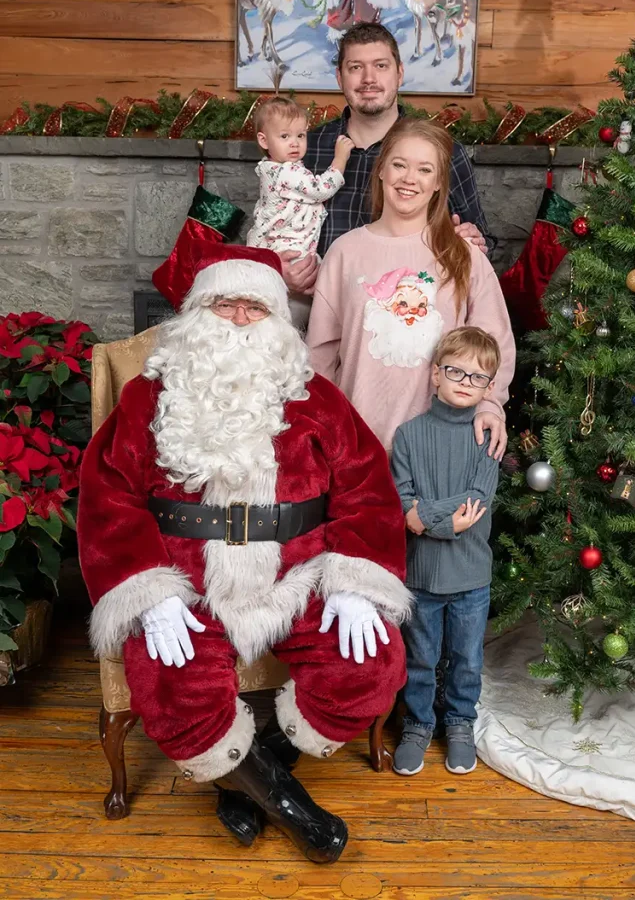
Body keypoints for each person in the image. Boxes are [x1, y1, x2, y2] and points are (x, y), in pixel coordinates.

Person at [77, 225, 410, 864]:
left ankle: (251, 783)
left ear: (277, 321)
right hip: (187, 587)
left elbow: (367, 487)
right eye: (222, 305)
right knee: (174, 690)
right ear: (196, 314)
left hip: (297, 578)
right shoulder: (149, 396)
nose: (237, 319)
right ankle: (292, 808)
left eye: (253, 306)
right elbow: (106, 496)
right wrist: (147, 590)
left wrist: (355, 579)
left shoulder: (315, 397)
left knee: (369, 669)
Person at [305, 117, 514, 458]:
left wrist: (490, 404)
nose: (409, 179)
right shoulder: (344, 252)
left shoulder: (463, 255)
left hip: (441, 445)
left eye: (424, 170)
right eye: (399, 165)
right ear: (382, 171)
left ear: (438, 184)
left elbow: (496, 343)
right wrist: (322, 427)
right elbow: (321, 356)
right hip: (356, 445)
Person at [280, 22, 495, 301]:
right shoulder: (306, 150)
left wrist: (475, 240)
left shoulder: (441, 151)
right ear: (339, 77)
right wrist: (280, 269)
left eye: (381, 66)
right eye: (356, 68)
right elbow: (270, 224)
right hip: (316, 301)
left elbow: (486, 242)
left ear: (400, 73)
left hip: (407, 308)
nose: (369, 79)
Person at [390, 327, 501, 776]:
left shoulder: (486, 438)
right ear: (436, 374)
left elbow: (477, 500)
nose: (464, 381)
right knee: (420, 658)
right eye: (455, 370)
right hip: (421, 575)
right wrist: (417, 516)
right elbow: (400, 502)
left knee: (467, 660)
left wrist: (423, 517)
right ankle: (417, 724)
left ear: (489, 387)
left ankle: (459, 723)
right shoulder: (408, 435)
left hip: (471, 575)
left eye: (477, 377)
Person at [247, 96, 354, 262]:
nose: (294, 143)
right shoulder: (287, 172)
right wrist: (340, 158)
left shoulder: (268, 167)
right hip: (289, 247)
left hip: (276, 244)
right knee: (318, 271)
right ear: (264, 140)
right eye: (284, 136)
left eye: (301, 135)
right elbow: (321, 189)